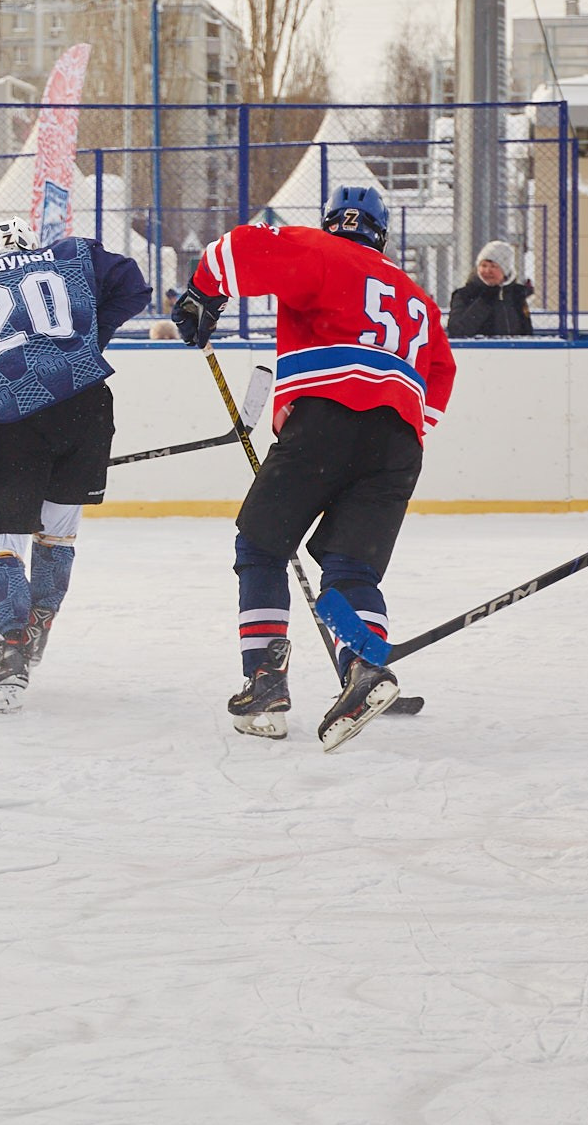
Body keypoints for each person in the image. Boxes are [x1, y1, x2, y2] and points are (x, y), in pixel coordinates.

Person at [172, 185, 456, 750]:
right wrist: (392, 432)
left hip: (325, 422)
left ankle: (265, 685)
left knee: (261, 546)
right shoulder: (417, 296)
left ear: (334, 224)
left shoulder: (323, 251)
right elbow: (440, 374)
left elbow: (239, 248)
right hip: (400, 441)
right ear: (382, 234)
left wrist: (202, 295)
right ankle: (366, 668)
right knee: (351, 569)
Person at [0, 217, 150, 711]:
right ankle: (38, 623)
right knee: (58, 530)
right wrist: (86, 343)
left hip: (18, 411)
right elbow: (133, 284)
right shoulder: (71, 254)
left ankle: (12, 657)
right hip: (90, 408)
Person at [444, 240, 533, 338]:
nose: (487, 271)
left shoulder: (516, 295)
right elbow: (457, 331)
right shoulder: (464, 295)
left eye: (494, 266)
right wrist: (486, 299)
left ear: (505, 271)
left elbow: (526, 331)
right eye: (483, 265)